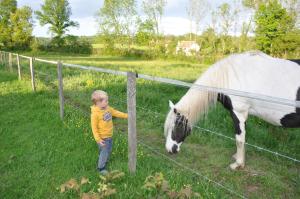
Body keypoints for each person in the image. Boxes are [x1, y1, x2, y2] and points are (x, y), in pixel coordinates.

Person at [90, 90, 128, 175]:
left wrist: (127, 115)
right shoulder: (95, 114)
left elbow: (115, 112)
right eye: (106, 101)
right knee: (104, 152)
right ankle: (101, 168)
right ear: (98, 103)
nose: (108, 102)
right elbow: (94, 128)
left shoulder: (107, 108)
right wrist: (98, 140)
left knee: (108, 151)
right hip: (102, 138)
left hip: (109, 136)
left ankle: (103, 160)